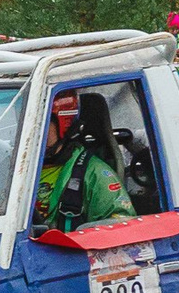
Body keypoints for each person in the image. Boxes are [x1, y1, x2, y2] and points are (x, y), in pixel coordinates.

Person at [36, 91, 137, 232]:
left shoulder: (96, 175)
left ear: (63, 125)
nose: (32, 133)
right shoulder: (12, 171)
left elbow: (123, 230)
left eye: (40, 124)